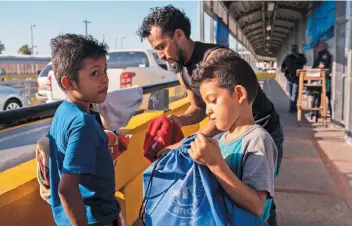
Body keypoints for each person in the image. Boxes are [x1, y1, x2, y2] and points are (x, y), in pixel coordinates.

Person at [137, 5, 283, 225]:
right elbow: (197, 109)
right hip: (229, 129)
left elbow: (225, 109)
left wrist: (186, 143)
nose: (160, 55)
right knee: (228, 190)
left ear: (179, 35)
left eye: (161, 46)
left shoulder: (217, 60)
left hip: (258, 128)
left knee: (261, 196)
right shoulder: (181, 69)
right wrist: (174, 120)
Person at [189, 48, 277, 220]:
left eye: (213, 101)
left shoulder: (257, 140)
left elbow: (257, 207)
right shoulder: (219, 140)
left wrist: (215, 165)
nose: (207, 110)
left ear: (239, 94)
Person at [48, 34, 123, 226]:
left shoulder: (64, 112)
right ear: (68, 83)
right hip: (95, 219)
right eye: (94, 73)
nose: (105, 79)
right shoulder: (82, 124)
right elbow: (66, 188)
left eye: (105, 70)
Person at [281, 44, 307, 113]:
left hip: (297, 77)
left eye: (295, 49)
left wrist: (297, 56)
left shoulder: (301, 56)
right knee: (290, 92)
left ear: (297, 49)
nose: (294, 51)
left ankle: (292, 107)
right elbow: (283, 65)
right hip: (289, 77)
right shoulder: (288, 57)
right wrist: (283, 69)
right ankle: (293, 105)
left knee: (295, 93)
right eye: (293, 49)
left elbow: (304, 62)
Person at [312, 41, 332, 116]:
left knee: (322, 95)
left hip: (323, 78)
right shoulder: (321, 54)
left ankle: (318, 112)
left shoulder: (325, 54)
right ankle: (316, 111)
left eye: (319, 46)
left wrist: (312, 71)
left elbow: (322, 66)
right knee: (317, 95)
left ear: (324, 47)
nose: (317, 47)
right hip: (318, 77)